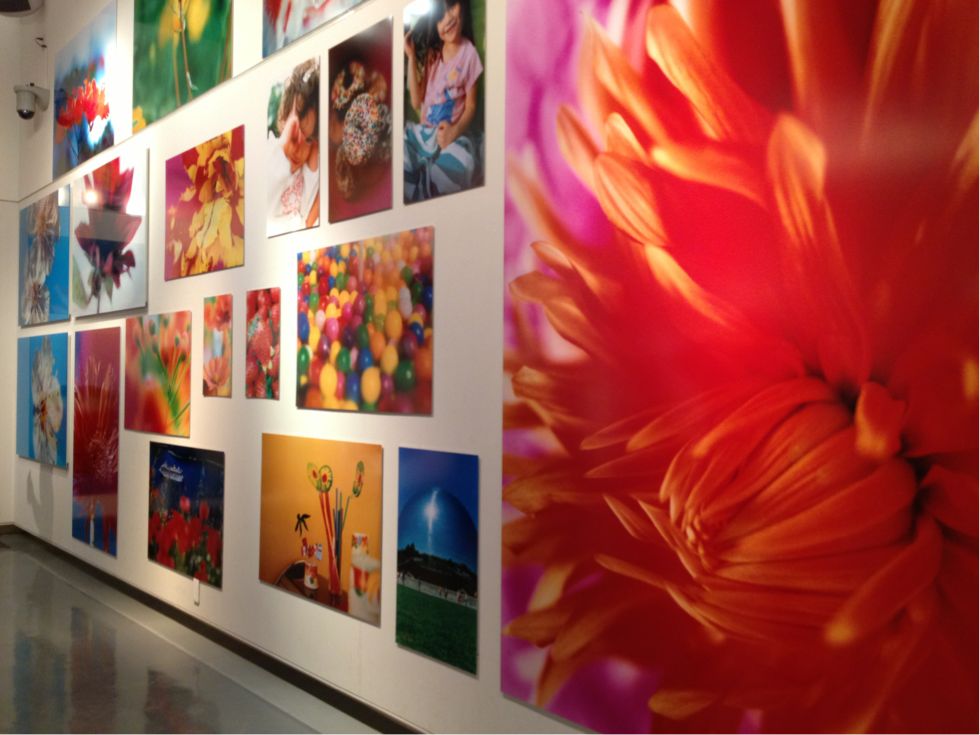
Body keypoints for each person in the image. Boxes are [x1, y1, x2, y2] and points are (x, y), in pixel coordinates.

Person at [404, 0, 483, 201]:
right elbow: (416, 102)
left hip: (453, 136)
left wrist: (454, 132)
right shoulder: (434, 55)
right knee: (401, 146)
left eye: (452, 7)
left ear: (462, 6)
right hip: (425, 134)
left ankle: (429, 182)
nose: (447, 19)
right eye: (439, 17)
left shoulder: (469, 54)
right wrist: (411, 57)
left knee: (463, 161)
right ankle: (422, 179)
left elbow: (471, 106)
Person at [267, 58, 320, 236]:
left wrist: (313, 163)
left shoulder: (308, 173)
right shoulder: (270, 154)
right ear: (283, 120)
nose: (299, 148)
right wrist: (283, 156)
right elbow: (262, 207)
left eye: (309, 140)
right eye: (295, 132)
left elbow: (307, 217)